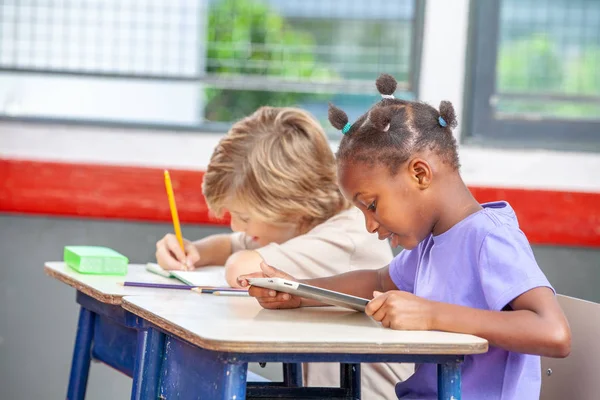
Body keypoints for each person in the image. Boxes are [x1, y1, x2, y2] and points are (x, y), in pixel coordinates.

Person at [239, 74, 571, 399]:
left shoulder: (489, 237)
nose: (370, 226)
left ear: (420, 173)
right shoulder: (433, 241)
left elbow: (553, 332)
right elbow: (380, 282)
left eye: (371, 205)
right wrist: (301, 291)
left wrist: (432, 314)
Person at [155, 106, 413, 398]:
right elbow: (230, 244)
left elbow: (239, 268)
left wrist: (227, 254)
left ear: (289, 206)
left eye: (245, 216)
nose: (236, 225)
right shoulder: (302, 226)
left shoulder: (348, 236)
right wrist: (193, 251)